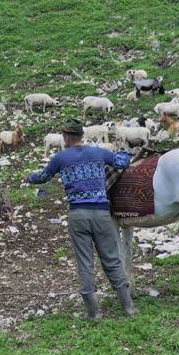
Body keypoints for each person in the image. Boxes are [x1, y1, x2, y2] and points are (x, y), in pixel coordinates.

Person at [26, 118, 138, 319]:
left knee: (85, 262)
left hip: (78, 215)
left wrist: (29, 177)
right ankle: (128, 308)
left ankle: (93, 312)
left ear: (66, 137)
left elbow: (43, 177)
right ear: (81, 135)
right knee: (112, 260)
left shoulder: (60, 158)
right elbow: (123, 161)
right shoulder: (99, 153)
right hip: (102, 214)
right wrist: (122, 151)